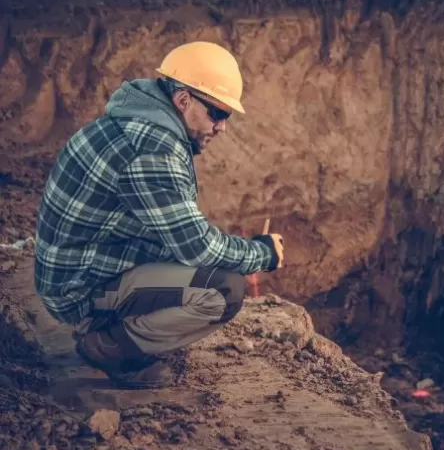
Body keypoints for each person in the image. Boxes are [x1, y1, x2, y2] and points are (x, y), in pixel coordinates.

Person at [33, 41, 285, 389]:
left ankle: (120, 328)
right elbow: (199, 249)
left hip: (77, 271)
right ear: (183, 100)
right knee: (224, 288)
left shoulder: (131, 124)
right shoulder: (154, 152)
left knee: (200, 264)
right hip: (78, 291)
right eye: (218, 114)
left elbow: (179, 238)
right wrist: (263, 253)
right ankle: (106, 346)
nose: (222, 127)